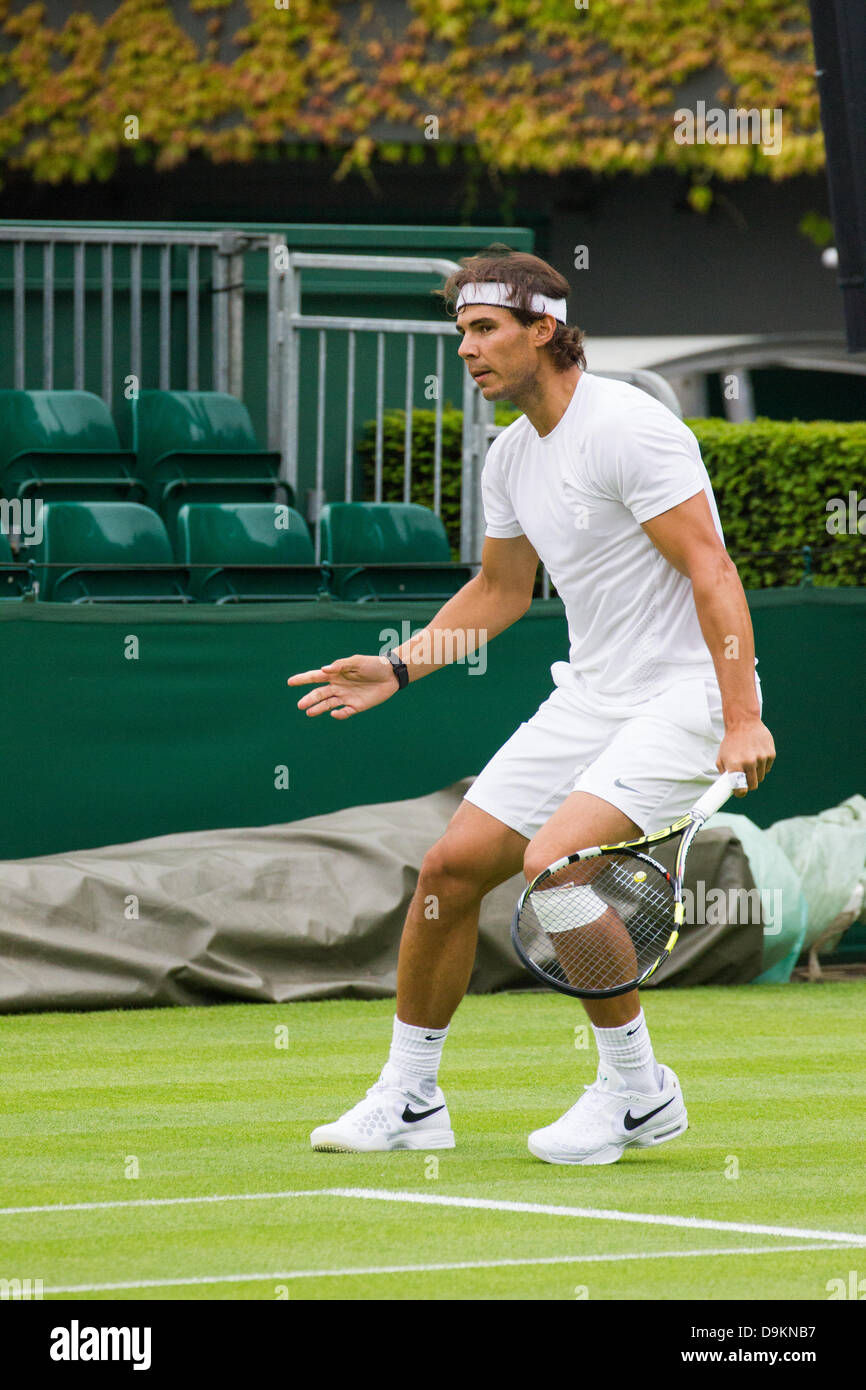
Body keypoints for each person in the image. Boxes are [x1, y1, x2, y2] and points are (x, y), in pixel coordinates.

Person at [287, 246, 775, 1165]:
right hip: (592, 694)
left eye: (483, 330)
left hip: (687, 698)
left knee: (558, 865)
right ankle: (411, 1098)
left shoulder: (630, 427)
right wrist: (398, 669)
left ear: (543, 329)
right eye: (461, 332)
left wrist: (742, 713)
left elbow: (713, 567)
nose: (466, 351)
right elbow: (503, 589)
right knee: (450, 868)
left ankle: (638, 1090)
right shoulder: (512, 453)